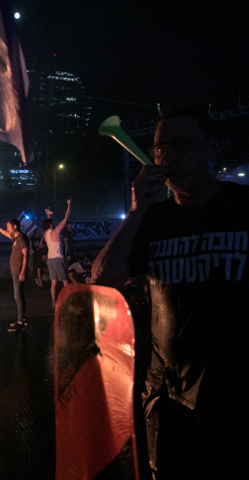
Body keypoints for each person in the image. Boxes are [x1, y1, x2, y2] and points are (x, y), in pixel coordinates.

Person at [91, 106, 249, 479]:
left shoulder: (243, 207)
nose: (167, 158)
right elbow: (102, 282)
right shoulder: (153, 220)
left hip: (236, 397)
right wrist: (136, 211)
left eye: (180, 146)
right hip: (167, 400)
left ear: (213, 147)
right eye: (161, 149)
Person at [0, 218, 29, 331]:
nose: (7, 229)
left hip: (18, 271)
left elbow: (26, 256)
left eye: (9, 227)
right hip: (15, 270)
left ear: (15, 227)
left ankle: (20, 321)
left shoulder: (21, 238)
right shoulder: (15, 237)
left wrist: (22, 271)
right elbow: (5, 233)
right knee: (19, 295)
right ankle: (23, 319)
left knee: (17, 295)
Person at [42, 198, 71, 308]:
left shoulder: (45, 234)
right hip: (58, 259)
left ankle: (54, 303)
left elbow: (47, 224)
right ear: (50, 225)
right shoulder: (56, 231)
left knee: (53, 283)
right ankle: (67, 300)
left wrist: (48, 215)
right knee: (65, 281)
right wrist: (69, 205)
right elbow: (66, 217)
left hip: (50, 260)